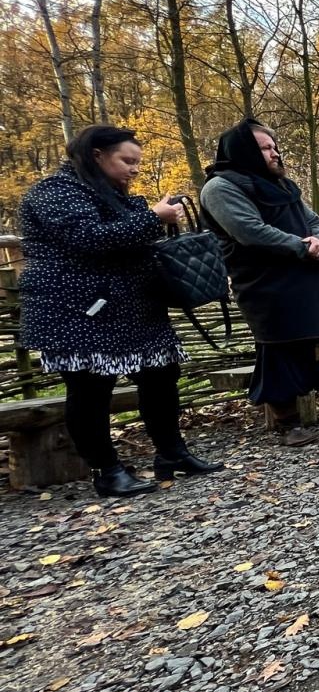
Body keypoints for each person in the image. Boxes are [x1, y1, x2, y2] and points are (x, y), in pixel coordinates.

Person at [18, 126, 220, 495]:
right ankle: (107, 471)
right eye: (128, 160)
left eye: (138, 162)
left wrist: (155, 220)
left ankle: (172, 454)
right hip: (79, 310)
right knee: (92, 389)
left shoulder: (113, 194)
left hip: (134, 307)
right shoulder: (56, 192)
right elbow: (88, 239)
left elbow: (128, 240)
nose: (135, 169)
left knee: (162, 377)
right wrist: (153, 217)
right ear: (97, 155)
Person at [200, 120, 319, 446]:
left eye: (274, 146)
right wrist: (305, 247)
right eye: (265, 148)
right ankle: (289, 425)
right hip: (266, 285)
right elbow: (248, 230)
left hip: (308, 281)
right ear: (243, 150)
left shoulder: (281, 184)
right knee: (281, 353)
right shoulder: (221, 188)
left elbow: (314, 221)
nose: (274, 153)